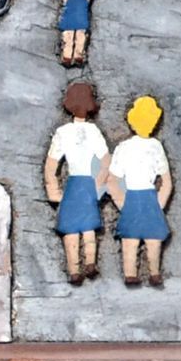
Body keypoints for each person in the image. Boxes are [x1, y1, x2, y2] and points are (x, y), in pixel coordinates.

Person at [43, 79, 109, 285]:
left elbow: (51, 165)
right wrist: (99, 186)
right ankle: (90, 262)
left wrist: (53, 190)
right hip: (88, 184)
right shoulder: (94, 131)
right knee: (88, 226)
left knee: (71, 227)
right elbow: (106, 162)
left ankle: (74, 269)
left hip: (73, 185)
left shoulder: (63, 132)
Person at [104, 94, 174, 287]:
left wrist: (122, 204)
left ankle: (131, 274)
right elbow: (167, 182)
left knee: (130, 239)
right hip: (149, 198)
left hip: (132, 198)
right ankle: (154, 272)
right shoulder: (156, 146)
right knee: (153, 238)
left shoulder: (123, 147)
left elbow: (112, 182)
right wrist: (158, 205)